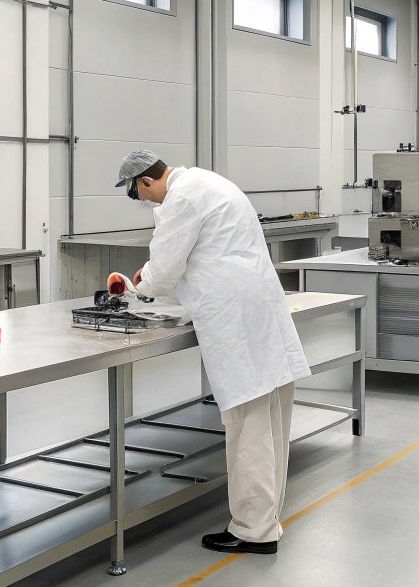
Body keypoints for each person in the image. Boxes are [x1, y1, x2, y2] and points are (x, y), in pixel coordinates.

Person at [107, 149, 310, 555]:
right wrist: (152, 277)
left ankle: (254, 531)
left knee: (247, 425)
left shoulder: (180, 199)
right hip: (260, 307)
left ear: (145, 182)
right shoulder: (208, 181)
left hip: (235, 319)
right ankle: (266, 520)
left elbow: (165, 272)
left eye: (139, 195)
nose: (145, 202)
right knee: (271, 420)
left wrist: (139, 284)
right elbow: (203, 254)